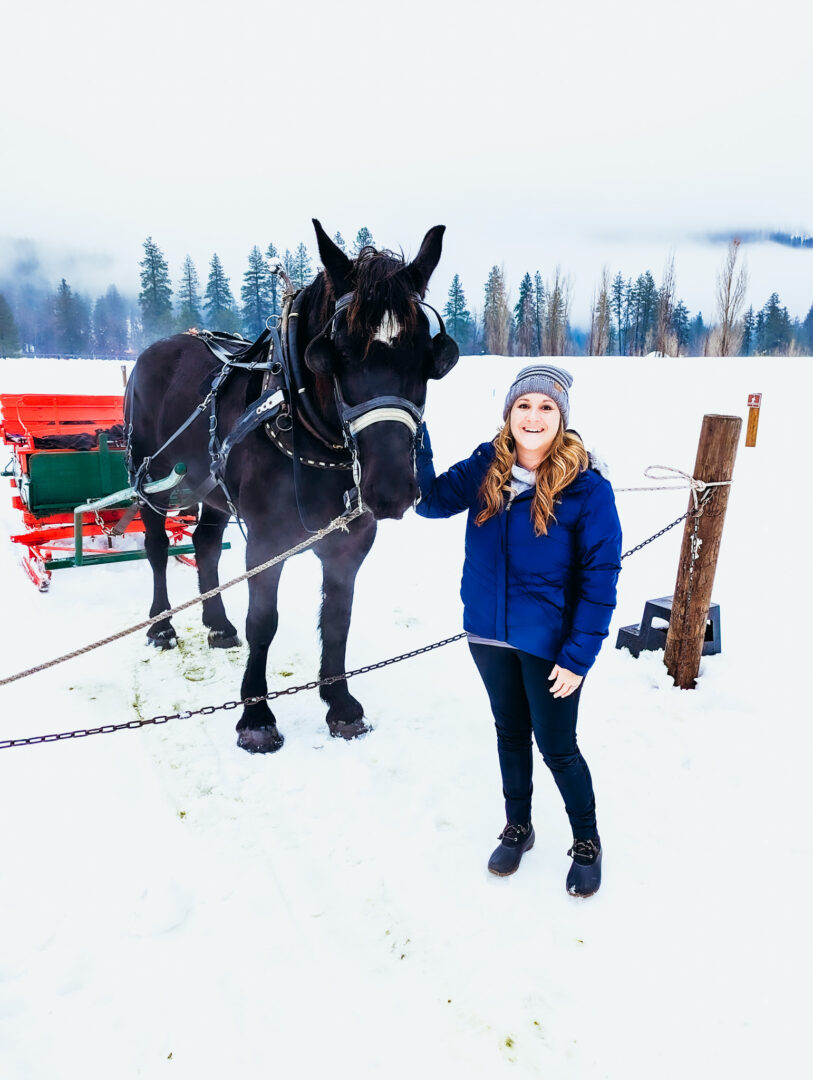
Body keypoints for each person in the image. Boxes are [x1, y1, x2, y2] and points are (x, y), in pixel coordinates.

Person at [415, 364, 622, 897]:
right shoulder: (486, 467)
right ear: (508, 413)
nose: (533, 416)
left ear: (561, 417)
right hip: (488, 636)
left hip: (550, 645)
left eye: (546, 407)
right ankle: (518, 827)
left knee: (558, 748)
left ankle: (587, 840)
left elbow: (600, 579)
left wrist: (577, 657)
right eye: (523, 405)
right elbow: (430, 502)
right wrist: (415, 430)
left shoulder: (588, 488)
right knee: (509, 734)